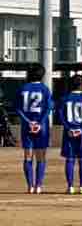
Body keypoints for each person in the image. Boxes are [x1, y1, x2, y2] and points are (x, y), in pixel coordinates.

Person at [16, 64, 53, 194]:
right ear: (42, 75)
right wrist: (39, 123)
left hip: (27, 127)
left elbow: (19, 109)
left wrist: (29, 122)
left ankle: (30, 186)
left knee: (27, 156)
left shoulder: (23, 88)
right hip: (41, 127)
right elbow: (49, 108)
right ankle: (38, 186)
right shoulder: (45, 89)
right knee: (41, 157)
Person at [58, 74, 82, 195]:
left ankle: (70, 186)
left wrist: (69, 128)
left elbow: (61, 115)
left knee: (70, 159)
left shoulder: (65, 98)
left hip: (69, 132)